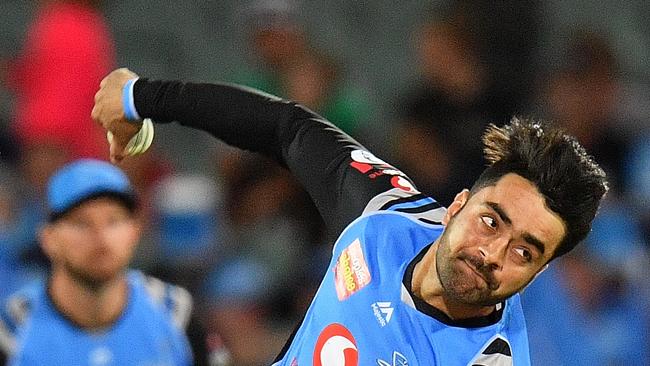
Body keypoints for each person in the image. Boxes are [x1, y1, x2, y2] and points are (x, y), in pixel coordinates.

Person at [92, 68, 608, 365]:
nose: (492, 254)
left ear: (537, 274)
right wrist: (140, 97)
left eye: (524, 252)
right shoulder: (386, 215)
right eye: (491, 221)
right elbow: (286, 128)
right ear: (456, 206)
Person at [0, 159, 213, 365]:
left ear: (134, 232)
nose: (101, 238)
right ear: (48, 239)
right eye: (81, 222)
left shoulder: (176, 313)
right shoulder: (11, 330)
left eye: (114, 221)